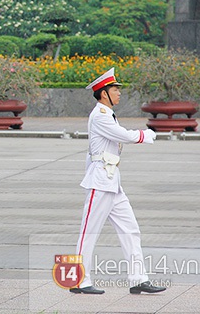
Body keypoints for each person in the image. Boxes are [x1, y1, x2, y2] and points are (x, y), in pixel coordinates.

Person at [70, 68, 166, 295]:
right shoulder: (100, 115)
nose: (119, 93)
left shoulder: (106, 113)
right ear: (104, 93)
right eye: (115, 89)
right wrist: (145, 135)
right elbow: (122, 135)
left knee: (130, 229)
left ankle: (138, 279)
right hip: (101, 181)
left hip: (112, 181)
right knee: (89, 231)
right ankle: (79, 281)